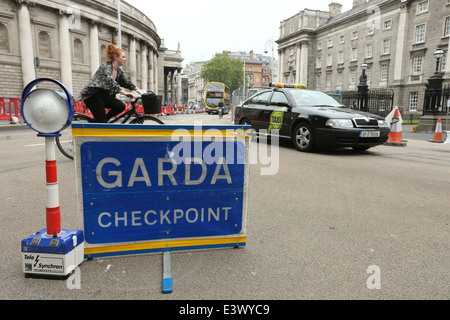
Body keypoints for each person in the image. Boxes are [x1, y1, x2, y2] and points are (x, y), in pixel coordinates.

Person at [78, 44, 140, 123]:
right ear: (115, 56)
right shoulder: (106, 67)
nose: (125, 59)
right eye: (123, 57)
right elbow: (110, 81)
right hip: (93, 96)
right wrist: (125, 93)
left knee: (120, 106)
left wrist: (139, 90)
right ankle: (101, 123)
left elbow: (127, 82)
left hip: (105, 95)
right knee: (102, 121)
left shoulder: (118, 71)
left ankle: (99, 122)